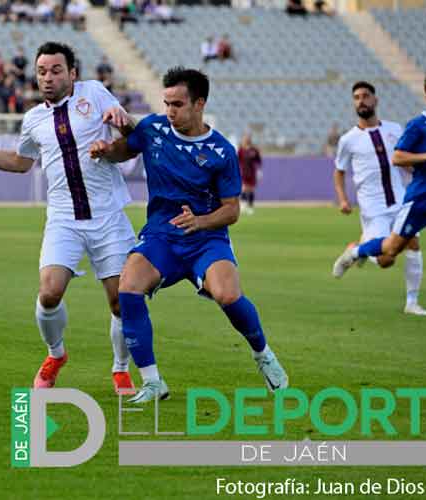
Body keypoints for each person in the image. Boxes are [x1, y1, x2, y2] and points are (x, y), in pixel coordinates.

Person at [0, 42, 138, 394]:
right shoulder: (34, 119)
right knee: (49, 293)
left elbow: (132, 133)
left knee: (121, 301)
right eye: (41, 72)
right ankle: (55, 356)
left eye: (55, 70)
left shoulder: (94, 93)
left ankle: (121, 368)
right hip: (63, 218)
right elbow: (20, 163)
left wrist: (122, 124)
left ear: (72, 73)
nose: (47, 78)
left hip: (108, 215)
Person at [89, 67, 288, 403]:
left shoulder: (222, 151)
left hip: (206, 239)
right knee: (128, 287)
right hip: (161, 236)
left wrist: (201, 222)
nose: (170, 111)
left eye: (177, 104)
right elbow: (126, 148)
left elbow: (232, 210)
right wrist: (106, 150)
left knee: (227, 295)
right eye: (167, 103)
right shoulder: (154, 128)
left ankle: (263, 354)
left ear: (199, 104)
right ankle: (152, 382)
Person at [333, 73, 426, 306]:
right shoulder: (417, 125)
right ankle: (357, 251)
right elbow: (398, 157)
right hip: (420, 199)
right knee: (390, 252)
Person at [332, 81, 426, 315]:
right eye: (356, 97)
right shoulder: (348, 140)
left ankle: (412, 302)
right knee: (387, 259)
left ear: (375, 100)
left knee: (413, 242)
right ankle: (358, 249)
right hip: (373, 208)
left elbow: (405, 160)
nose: (361, 100)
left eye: (365, 96)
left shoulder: (395, 129)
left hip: (401, 200)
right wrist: (343, 199)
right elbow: (339, 171)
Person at [237, 133, 261, 215]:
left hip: (252, 172)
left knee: (251, 189)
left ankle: (250, 206)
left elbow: (258, 161)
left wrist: (259, 171)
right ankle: (243, 204)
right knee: (243, 188)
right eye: (245, 138)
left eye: (248, 138)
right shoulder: (241, 150)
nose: (247, 140)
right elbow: (237, 160)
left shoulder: (254, 150)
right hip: (243, 172)